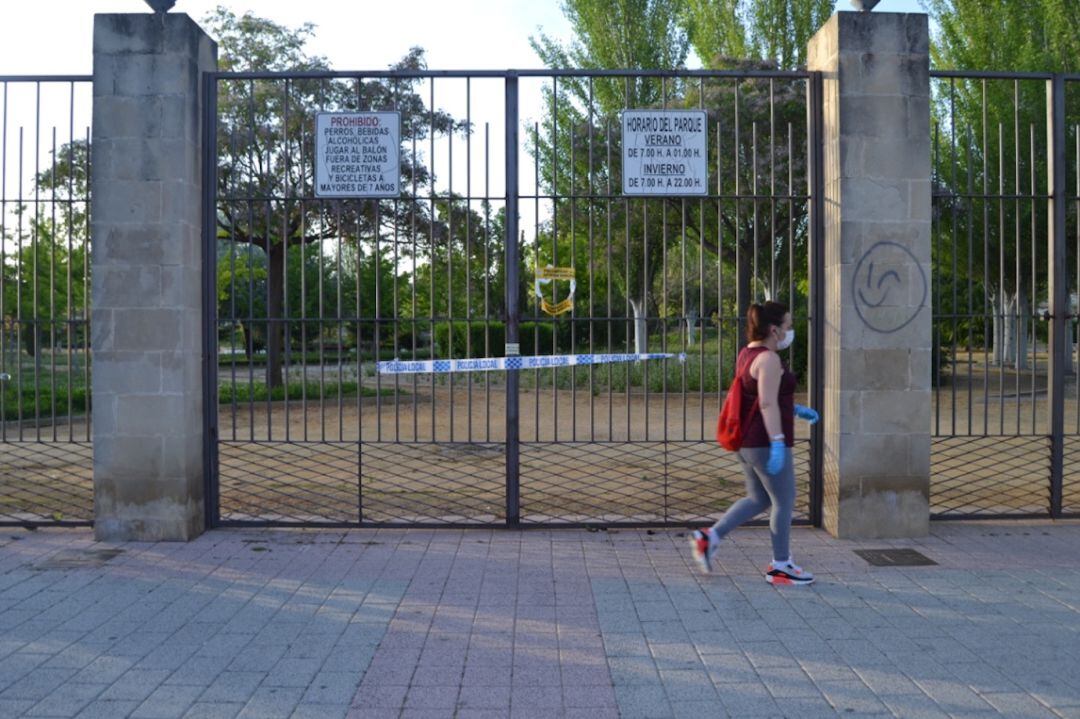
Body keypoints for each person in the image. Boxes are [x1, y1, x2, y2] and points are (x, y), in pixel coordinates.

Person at [690, 301, 819, 585]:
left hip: (747, 443)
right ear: (774, 329)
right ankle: (781, 566)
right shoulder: (770, 360)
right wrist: (777, 441)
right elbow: (767, 402)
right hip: (764, 442)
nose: (789, 331)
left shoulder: (748, 353)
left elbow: (757, 394)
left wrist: (796, 410)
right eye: (787, 326)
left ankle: (709, 538)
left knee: (758, 498)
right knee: (784, 501)